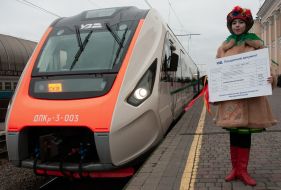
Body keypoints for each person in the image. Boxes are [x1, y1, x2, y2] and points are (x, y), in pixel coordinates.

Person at [214, 6, 277, 186]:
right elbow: (218, 71)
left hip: (251, 102)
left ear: (247, 24)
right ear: (230, 26)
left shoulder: (256, 44)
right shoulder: (224, 48)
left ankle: (243, 170)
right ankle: (234, 169)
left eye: (241, 22)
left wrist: (270, 77)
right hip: (232, 102)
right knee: (234, 134)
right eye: (234, 23)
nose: (237, 26)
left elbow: (267, 68)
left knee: (245, 135)